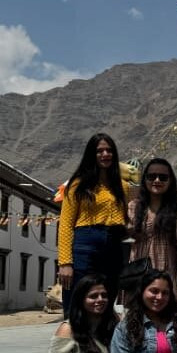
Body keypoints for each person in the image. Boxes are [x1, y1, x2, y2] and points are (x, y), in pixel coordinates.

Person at [57, 133, 129, 316]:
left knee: (106, 297)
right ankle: (72, 341)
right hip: (85, 245)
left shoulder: (122, 186)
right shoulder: (77, 185)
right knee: (78, 297)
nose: (105, 154)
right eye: (100, 151)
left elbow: (126, 219)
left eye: (109, 150)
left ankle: (102, 341)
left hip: (113, 247)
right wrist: (65, 263)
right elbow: (65, 224)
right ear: (91, 154)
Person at [127, 158, 177, 305]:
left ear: (170, 181)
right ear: (144, 179)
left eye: (163, 177)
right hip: (140, 269)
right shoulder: (134, 206)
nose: (157, 180)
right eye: (151, 177)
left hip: (168, 266)